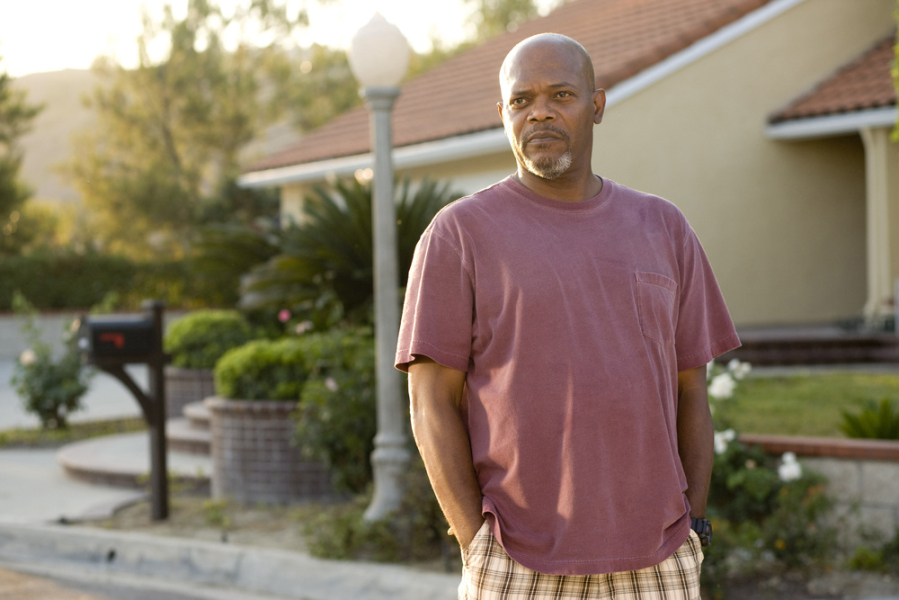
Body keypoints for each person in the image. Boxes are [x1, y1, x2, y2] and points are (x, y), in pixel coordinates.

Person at [395, 32, 740, 600]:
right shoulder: (459, 234)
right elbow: (429, 402)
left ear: (596, 105)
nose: (539, 113)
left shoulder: (664, 228)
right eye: (521, 100)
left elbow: (691, 390)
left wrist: (693, 527)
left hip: (659, 560)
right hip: (516, 562)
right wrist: (476, 544)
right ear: (503, 115)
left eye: (560, 94)